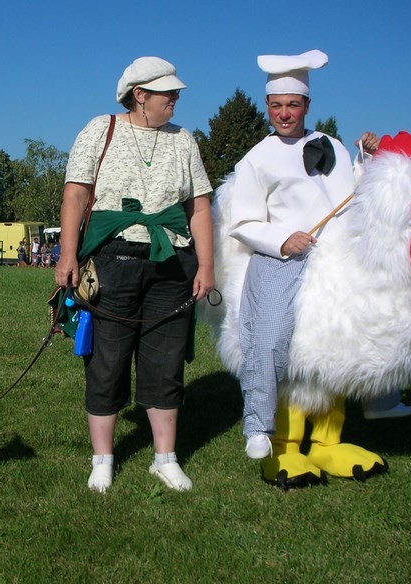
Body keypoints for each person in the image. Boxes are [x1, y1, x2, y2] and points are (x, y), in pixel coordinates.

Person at [56, 56, 215, 493]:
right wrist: (67, 255)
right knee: (106, 360)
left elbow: (199, 207)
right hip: (112, 259)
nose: (176, 98)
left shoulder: (185, 140)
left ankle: (165, 458)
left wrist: (207, 265)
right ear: (139, 95)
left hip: (172, 262)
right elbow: (75, 195)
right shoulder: (100, 129)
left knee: (165, 361)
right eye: (168, 92)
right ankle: (103, 459)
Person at [227, 50, 382, 459]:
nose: (284, 113)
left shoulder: (330, 144)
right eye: (276, 106)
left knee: (367, 320)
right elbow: (242, 222)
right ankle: (260, 425)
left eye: (292, 105)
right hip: (281, 258)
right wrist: (282, 240)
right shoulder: (255, 159)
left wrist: (368, 159)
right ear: (267, 107)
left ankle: (380, 397)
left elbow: (351, 198)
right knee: (270, 333)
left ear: (307, 106)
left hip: (334, 255)